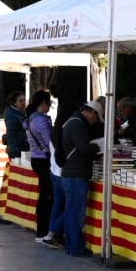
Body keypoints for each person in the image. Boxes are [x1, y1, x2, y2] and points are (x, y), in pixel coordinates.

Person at [49, 99, 102, 257]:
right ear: (90, 112)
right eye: (96, 117)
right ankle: (76, 246)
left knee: (72, 210)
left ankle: (72, 245)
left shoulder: (71, 122)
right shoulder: (78, 124)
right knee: (75, 212)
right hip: (76, 174)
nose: (95, 121)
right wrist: (98, 146)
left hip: (71, 173)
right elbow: (84, 148)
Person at [25, 90, 58, 243]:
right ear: (43, 103)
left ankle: (42, 229)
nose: (50, 106)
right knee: (47, 196)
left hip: (36, 158)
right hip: (44, 160)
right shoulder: (41, 121)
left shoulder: (32, 119)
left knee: (44, 194)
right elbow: (50, 142)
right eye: (49, 103)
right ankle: (43, 230)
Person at [3, 92, 28, 160]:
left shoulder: (20, 112)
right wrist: (14, 151)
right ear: (14, 103)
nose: (23, 103)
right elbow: (10, 134)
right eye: (20, 101)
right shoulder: (11, 115)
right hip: (16, 149)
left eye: (24, 100)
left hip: (22, 148)